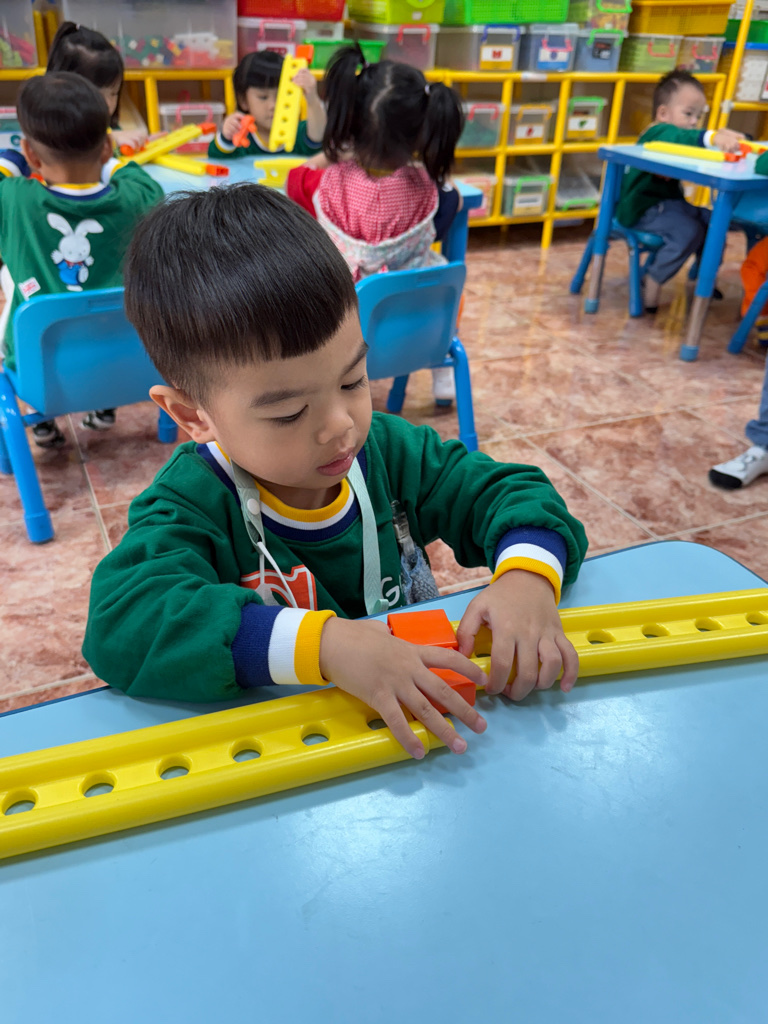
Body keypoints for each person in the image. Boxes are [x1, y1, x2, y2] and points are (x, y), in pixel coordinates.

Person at [82, 184, 589, 761]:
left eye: (353, 380)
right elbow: (123, 622)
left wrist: (526, 579)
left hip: (412, 743)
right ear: (192, 415)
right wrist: (325, 646)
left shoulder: (391, 452)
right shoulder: (190, 504)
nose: (340, 425)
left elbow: (513, 493)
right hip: (292, 754)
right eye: (288, 413)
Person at [286, 44, 464, 404]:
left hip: (343, 336)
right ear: (422, 132)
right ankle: (443, 371)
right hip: (416, 331)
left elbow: (295, 178)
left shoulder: (325, 183)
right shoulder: (431, 192)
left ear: (349, 125)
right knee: (443, 277)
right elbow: (453, 202)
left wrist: (331, 156)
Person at [0, 72, 163, 447]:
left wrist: (12, 160)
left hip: (39, 370)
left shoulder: (14, 200)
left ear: (31, 154)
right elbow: (139, 178)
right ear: (106, 147)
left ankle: (43, 420)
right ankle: (105, 404)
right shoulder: (139, 198)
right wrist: (110, 159)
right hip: (129, 361)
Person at [615, 69, 744, 313]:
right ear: (663, 113)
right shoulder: (657, 132)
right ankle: (653, 279)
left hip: (671, 205)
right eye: (688, 114)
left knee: (715, 223)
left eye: (698, 116)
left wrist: (723, 140)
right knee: (688, 231)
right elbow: (679, 136)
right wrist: (711, 137)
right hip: (642, 209)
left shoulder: (679, 137)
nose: (694, 121)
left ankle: (702, 278)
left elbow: (689, 141)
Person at [46, 21, 148, 156]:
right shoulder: (44, 131)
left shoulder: (107, 127)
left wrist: (138, 144)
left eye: (114, 93)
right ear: (61, 88)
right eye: (97, 94)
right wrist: (108, 140)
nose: (108, 103)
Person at [208, 50, 325, 159]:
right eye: (263, 97)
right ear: (243, 101)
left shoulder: (300, 132)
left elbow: (318, 137)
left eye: (281, 96)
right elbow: (215, 156)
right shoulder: (240, 136)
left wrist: (312, 99)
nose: (273, 105)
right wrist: (226, 136)